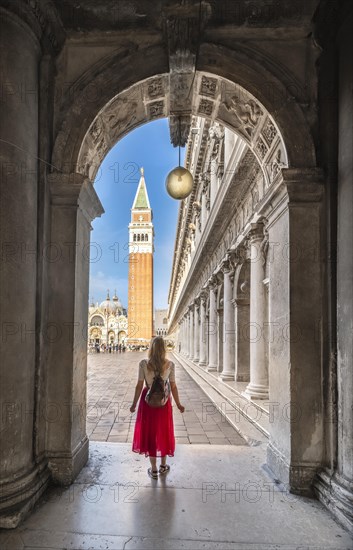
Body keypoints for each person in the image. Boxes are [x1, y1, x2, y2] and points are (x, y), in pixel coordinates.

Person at [130, 336, 185, 479]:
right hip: (163, 403)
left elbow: (139, 385)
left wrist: (134, 404)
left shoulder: (143, 364)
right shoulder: (170, 365)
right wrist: (179, 404)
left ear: (151, 348)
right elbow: (173, 386)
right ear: (163, 349)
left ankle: (153, 469)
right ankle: (163, 466)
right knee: (164, 431)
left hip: (147, 402)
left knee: (150, 433)